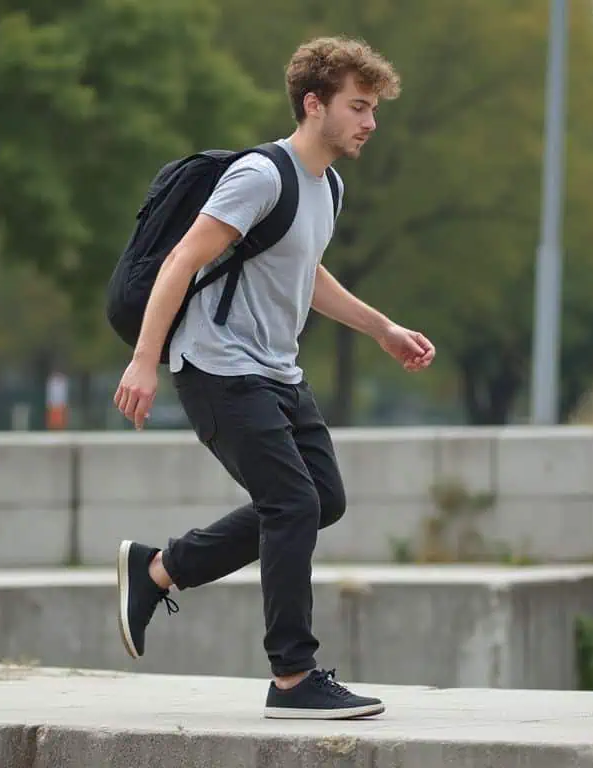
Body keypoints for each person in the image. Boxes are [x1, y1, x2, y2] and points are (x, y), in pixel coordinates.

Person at [111, 36, 436, 720]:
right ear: (313, 105)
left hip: (277, 373)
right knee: (292, 505)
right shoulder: (262, 175)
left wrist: (382, 329)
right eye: (358, 106)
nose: (369, 122)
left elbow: (305, 272)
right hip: (217, 369)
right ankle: (293, 676)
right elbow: (182, 260)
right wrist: (144, 358)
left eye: (373, 108)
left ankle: (159, 569)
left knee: (322, 499)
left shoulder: (329, 185)